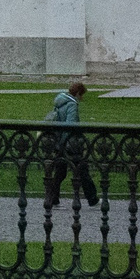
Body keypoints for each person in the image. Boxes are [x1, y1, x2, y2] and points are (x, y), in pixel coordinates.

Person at [41, 78, 101, 210]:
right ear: (78, 93)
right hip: (70, 144)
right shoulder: (72, 105)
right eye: (82, 95)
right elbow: (70, 125)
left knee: (60, 173)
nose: (81, 98)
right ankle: (92, 199)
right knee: (82, 170)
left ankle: (52, 200)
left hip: (59, 142)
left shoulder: (60, 102)